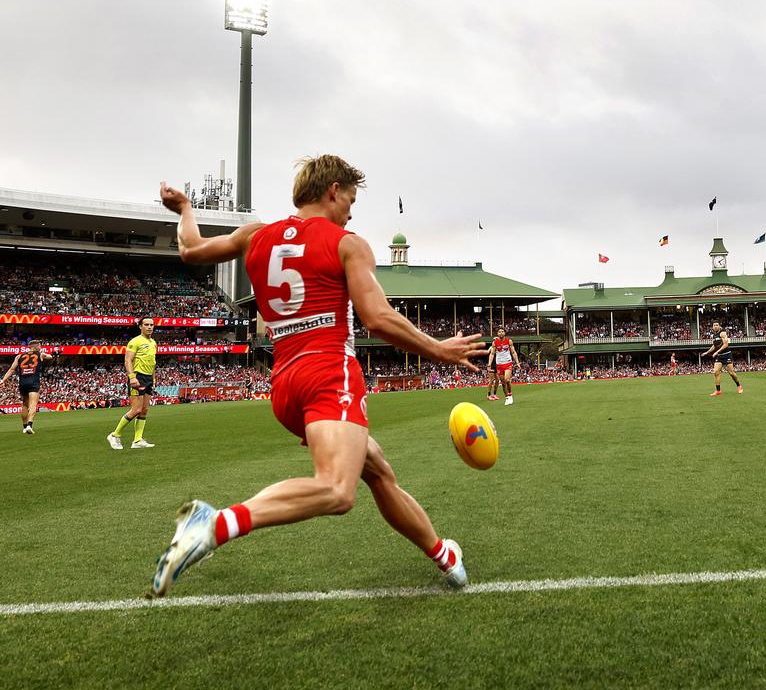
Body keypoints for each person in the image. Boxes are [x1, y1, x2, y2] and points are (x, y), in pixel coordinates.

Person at [149, 155, 486, 598]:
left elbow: (190, 250)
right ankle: (215, 524)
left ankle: (444, 555)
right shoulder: (348, 243)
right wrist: (438, 349)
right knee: (337, 490)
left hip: (285, 383)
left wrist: (187, 208)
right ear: (332, 191)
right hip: (330, 372)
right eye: (349, 198)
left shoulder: (255, 236)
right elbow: (378, 318)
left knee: (378, 471)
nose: (351, 210)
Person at [107, 317, 158, 450]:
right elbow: (127, 360)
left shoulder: (153, 342)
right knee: (136, 410)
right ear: (140, 326)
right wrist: (132, 377)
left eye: (151, 325)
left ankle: (137, 440)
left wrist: (154, 378)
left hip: (148, 378)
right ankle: (115, 435)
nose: (149, 327)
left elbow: (153, 363)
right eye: (146, 324)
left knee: (144, 410)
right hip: (138, 377)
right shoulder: (135, 341)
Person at [1, 340, 55, 434]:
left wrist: (3, 380)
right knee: (33, 404)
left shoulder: (19, 356)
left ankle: (24, 426)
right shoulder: (40, 354)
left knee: (25, 405)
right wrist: (55, 354)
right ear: (35, 346)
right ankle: (30, 425)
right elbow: (50, 356)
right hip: (33, 381)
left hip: (23, 382)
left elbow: (11, 369)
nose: (40, 347)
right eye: (39, 345)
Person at [701, 321, 742, 396]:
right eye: (714, 325)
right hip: (720, 356)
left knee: (731, 373)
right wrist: (707, 352)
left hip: (727, 354)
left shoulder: (722, 333)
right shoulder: (714, 335)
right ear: (712, 327)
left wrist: (716, 352)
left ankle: (739, 386)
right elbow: (714, 346)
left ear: (719, 326)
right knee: (716, 372)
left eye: (717, 325)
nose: (716, 326)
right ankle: (718, 391)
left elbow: (726, 344)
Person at [490, 326, 520, 405]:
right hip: (499, 364)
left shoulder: (509, 341)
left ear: (504, 333)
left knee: (507, 379)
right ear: (497, 333)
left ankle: (510, 394)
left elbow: (513, 352)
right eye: (499, 332)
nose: (501, 333)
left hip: (508, 362)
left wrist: (517, 362)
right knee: (503, 382)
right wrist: (489, 364)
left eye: (502, 331)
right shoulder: (495, 343)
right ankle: (507, 397)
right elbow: (492, 354)